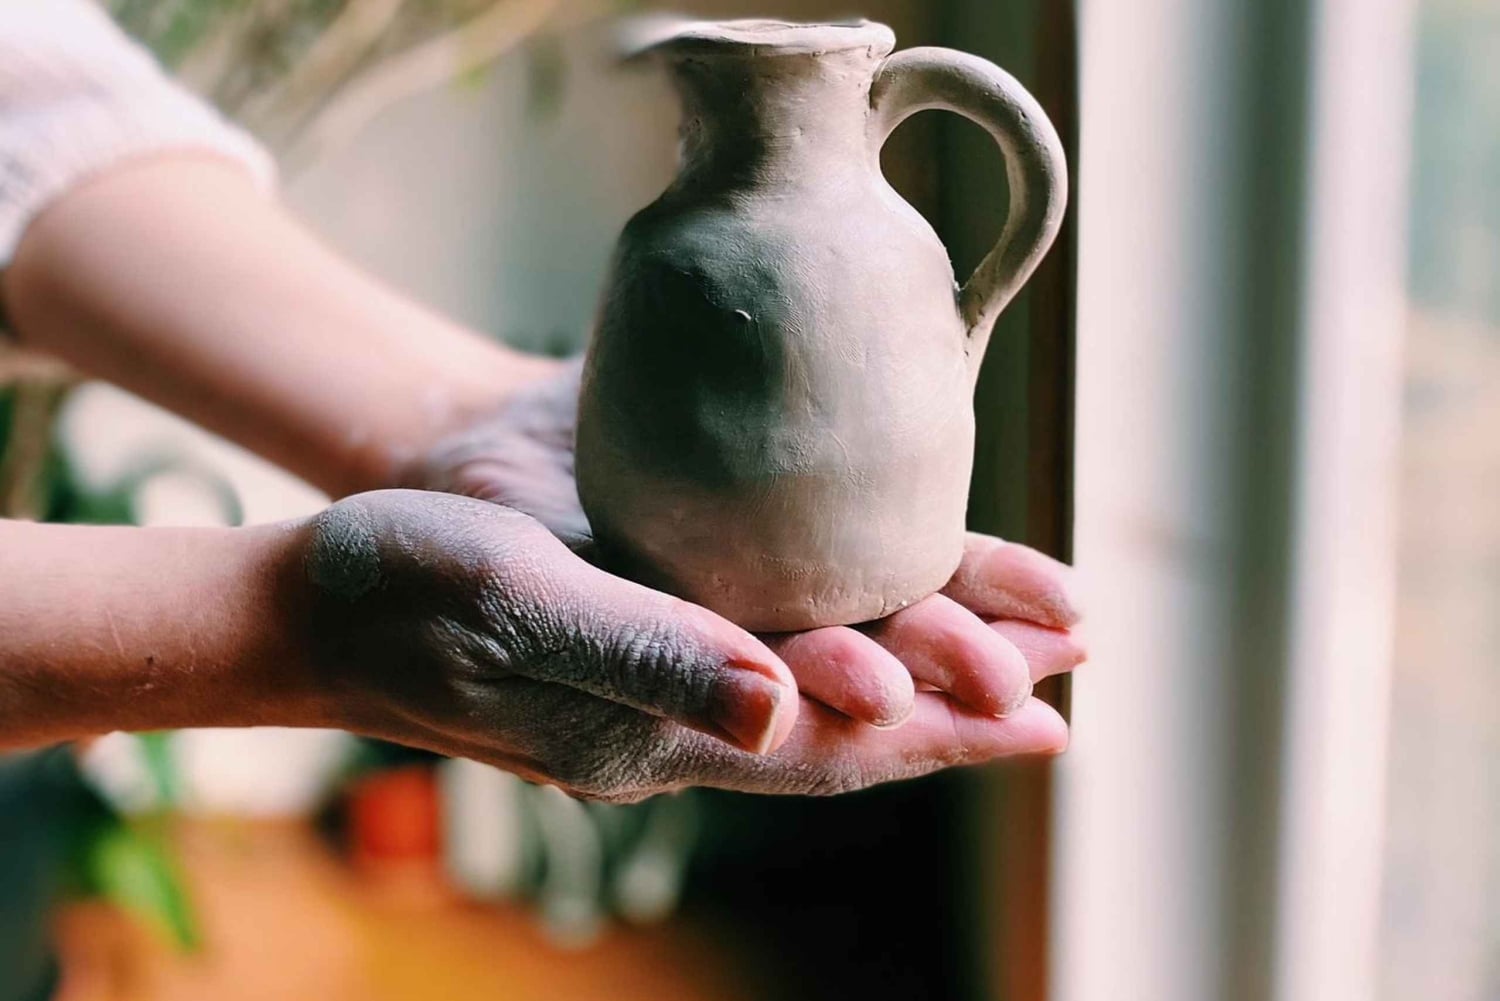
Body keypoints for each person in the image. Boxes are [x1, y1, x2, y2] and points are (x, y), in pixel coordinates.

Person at [0, 2, 1084, 804]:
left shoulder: (798, 241)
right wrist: (297, 620)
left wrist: (460, 416)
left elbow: (29, 104)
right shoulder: (668, 246)